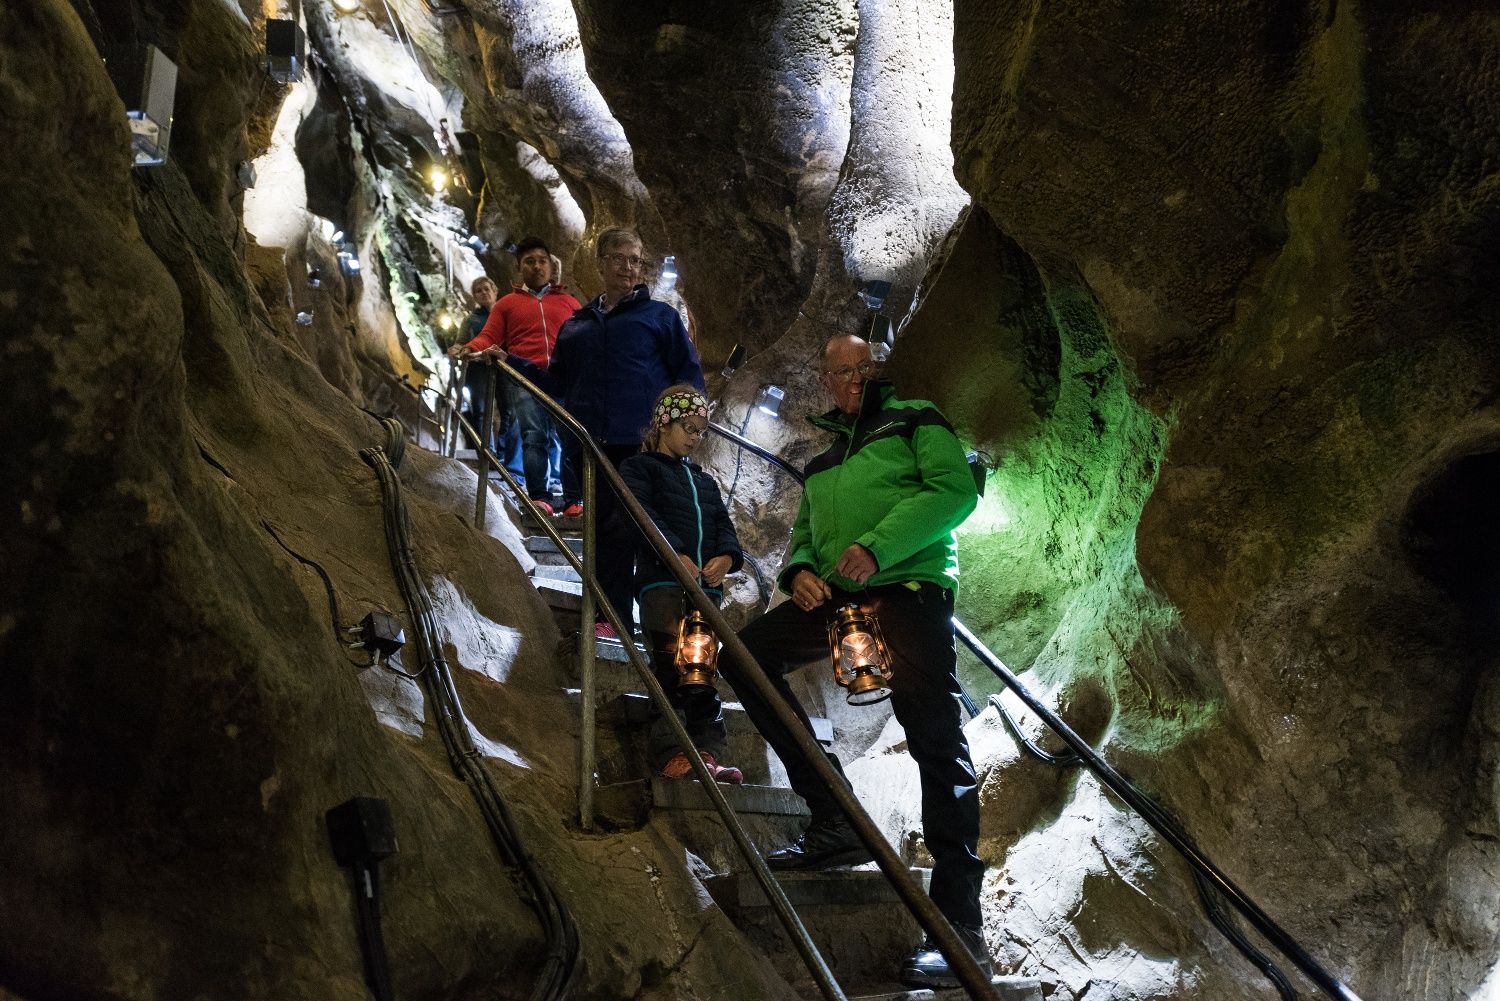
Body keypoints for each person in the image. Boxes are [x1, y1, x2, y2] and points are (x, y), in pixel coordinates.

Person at [722, 333, 989, 990]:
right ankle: (834, 813)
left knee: (934, 740)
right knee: (748, 657)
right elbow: (806, 539)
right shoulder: (822, 462)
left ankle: (960, 928)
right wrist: (802, 572)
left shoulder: (915, 418)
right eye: (837, 371)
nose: (848, 380)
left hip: (908, 587)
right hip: (839, 597)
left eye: (859, 368)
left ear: (876, 371)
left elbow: (954, 490)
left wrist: (876, 546)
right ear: (826, 380)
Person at [493, 228, 705, 638]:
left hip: (645, 445)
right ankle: (613, 619)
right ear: (601, 262)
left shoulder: (659, 317)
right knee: (605, 532)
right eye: (620, 258)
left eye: (636, 260)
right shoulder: (577, 326)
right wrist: (514, 363)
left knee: (643, 529)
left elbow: (688, 374)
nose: (629, 267)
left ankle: (663, 625)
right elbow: (556, 384)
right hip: (591, 446)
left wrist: (690, 424)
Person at [620, 385, 744, 785]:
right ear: (663, 423)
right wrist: (675, 555)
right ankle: (673, 753)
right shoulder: (639, 469)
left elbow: (724, 527)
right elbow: (643, 516)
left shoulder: (702, 481)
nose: (694, 436)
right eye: (688, 426)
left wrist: (726, 558)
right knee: (670, 669)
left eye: (701, 430)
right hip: (662, 586)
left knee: (703, 673)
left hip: (704, 593)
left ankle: (708, 754)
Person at [453, 238, 581, 515]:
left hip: (564, 379)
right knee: (533, 436)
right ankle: (540, 497)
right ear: (519, 267)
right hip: (526, 378)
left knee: (571, 437)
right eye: (530, 261)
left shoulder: (569, 303)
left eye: (542, 261)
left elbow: (587, 336)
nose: (537, 266)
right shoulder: (507, 304)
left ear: (551, 265)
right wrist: (469, 348)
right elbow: (489, 335)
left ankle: (573, 500)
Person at [444, 276, 499, 446]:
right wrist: (456, 349)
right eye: (478, 291)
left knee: (509, 412)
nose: (483, 293)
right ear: (474, 297)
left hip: (503, 368)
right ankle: (488, 454)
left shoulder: (504, 313)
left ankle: (507, 458)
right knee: (482, 411)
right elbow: (461, 341)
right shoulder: (470, 319)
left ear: (494, 290)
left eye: (486, 289)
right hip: (478, 370)